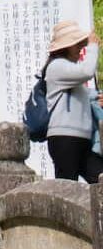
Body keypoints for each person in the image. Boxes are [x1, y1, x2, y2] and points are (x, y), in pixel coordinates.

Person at [43, 20, 103, 183]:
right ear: (66, 47)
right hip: (64, 138)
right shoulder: (57, 66)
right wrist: (92, 47)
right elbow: (87, 71)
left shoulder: (69, 69)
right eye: (76, 44)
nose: (80, 48)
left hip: (82, 140)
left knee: (99, 179)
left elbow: (85, 94)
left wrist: (97, 98)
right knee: (66, 189)